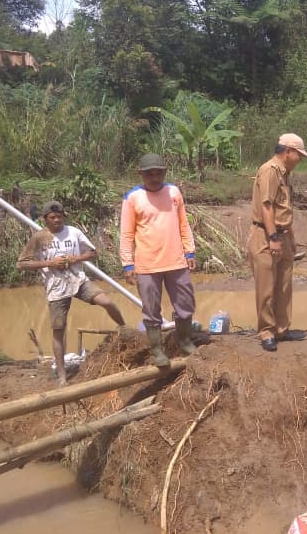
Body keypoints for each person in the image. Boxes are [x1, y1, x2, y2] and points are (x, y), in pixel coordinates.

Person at [17, 201, 125, 386]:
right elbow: (22, 264)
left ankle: (124, 329)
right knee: (58, 330)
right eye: (53, 217)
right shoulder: (39, 238)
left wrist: (76, 258)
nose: (57, 220)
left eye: (60, 216)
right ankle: (62, 375)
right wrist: (50, 263)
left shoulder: (73, 232)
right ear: (46, 219)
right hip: (57, 287)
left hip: (78, 280)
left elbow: (93, 252)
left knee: (106, 301)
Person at [120, 153, 197, 367]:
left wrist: (190, 251)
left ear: (164, 172)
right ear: (140, 174)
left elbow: (183, 224)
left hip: (176, 261)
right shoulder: (132, 198)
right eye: (149, 173)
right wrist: (128, 264)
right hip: (147, 265)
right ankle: (157, 350)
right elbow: (126, 234)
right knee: (151, 310)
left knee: (185, 305)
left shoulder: (173, 192)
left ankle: (184, 340)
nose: (154, 177)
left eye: (158, 172)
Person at [250, 133, 307, 352]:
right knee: (267, 286)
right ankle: (267, 330)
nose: (300, 160)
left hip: (283, 234)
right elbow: (267, 206)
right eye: (299, 155)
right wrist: (273, 237)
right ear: (288, 152)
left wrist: (290, 238)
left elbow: (284, 209)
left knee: (284, 285)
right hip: (266, 235)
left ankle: (282, 328)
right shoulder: (270, 170)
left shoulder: (284, 174)